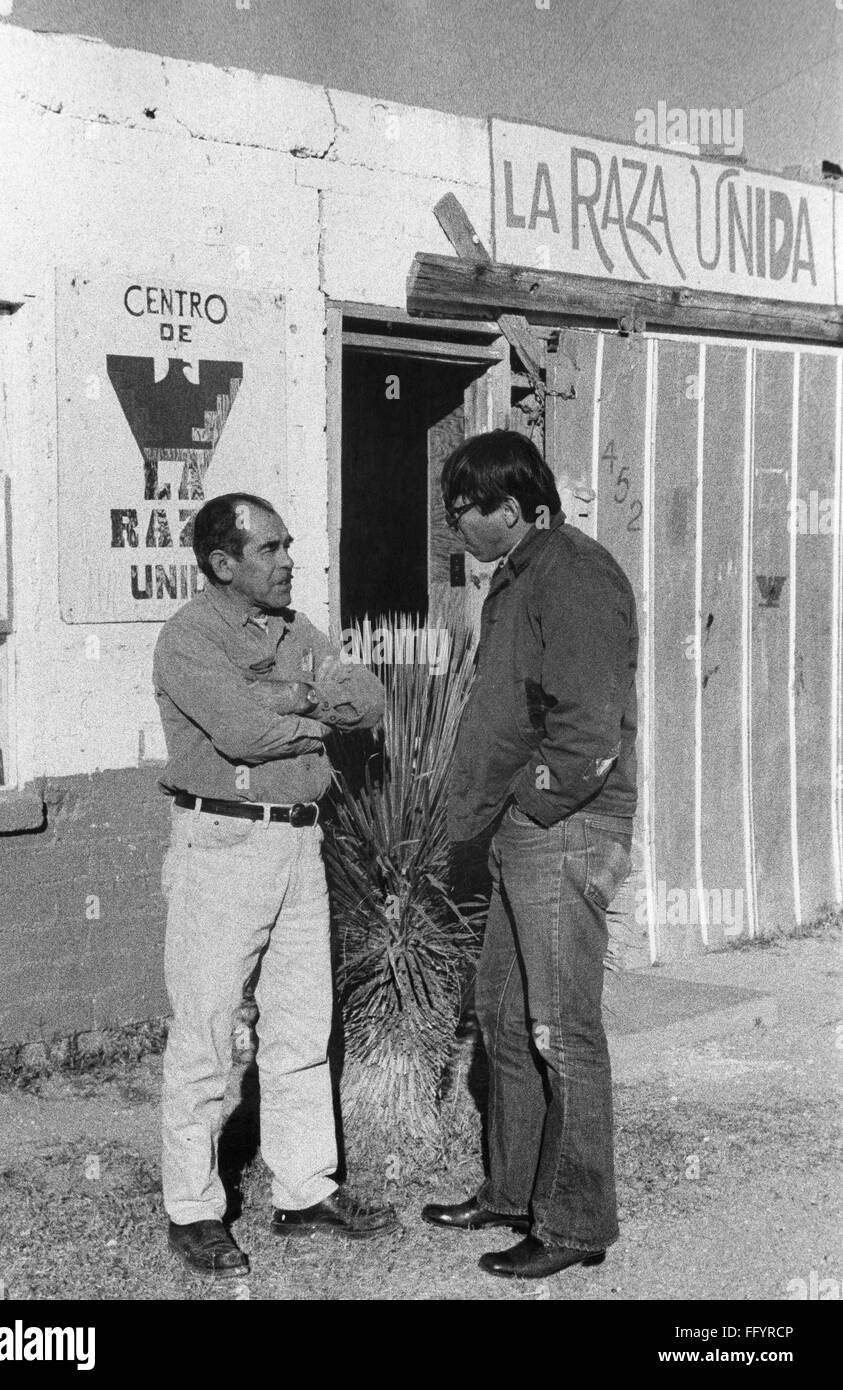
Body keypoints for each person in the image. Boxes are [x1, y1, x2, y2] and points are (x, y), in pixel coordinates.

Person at [153, 491, 397, 1277]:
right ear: (223, 564)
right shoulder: (190, 636)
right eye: (270, 550)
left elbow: (369, 698)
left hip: (299, 841)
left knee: (299, 1026)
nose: (289, 561)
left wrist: (292, 699)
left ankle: (304, 1192)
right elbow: (239, 732)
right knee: (205, 1032)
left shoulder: (298, 632)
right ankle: (192, 1211)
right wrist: (307, 710)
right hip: (222, 840)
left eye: (288, 545)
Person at [422, 431, 638, 1281]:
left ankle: (576, 1220)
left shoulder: (573, 574)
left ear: (506, 510)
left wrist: (528, 801)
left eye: (459, 514)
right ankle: (513, 1191)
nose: (453, 531)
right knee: (506, 1018)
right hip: (527, 832)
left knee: (560, 1031)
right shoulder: (520, 576)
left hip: (564, 827)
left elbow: (588, 731)